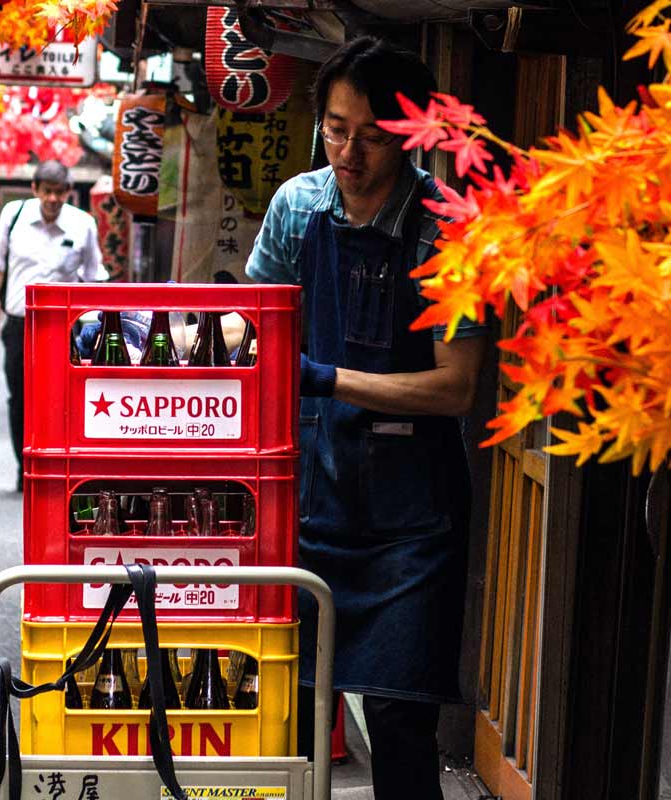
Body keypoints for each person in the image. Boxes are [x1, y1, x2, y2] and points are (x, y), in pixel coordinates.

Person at [244, 38, 487, 799]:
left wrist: (327, 379)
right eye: (336, 128)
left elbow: (456, 389)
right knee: (286, 708)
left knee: (398, 714)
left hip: (414, 514)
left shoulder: (448, 226)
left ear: (412, 136)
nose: (349, 151)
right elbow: (254, 331)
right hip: (311, 494)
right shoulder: (297, 206)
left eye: (374, 136)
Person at [0, 160, 103, 491]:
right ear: (35, 189)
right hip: (19, 324)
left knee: (61, 397)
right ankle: (25, 465)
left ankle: (57, 465)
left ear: (68, 192)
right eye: (47, 191)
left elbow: (94, 277)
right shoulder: (14, 215)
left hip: (65, 328)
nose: (53, 199)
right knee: (19, 395)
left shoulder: (83, 225)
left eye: (59, 192)